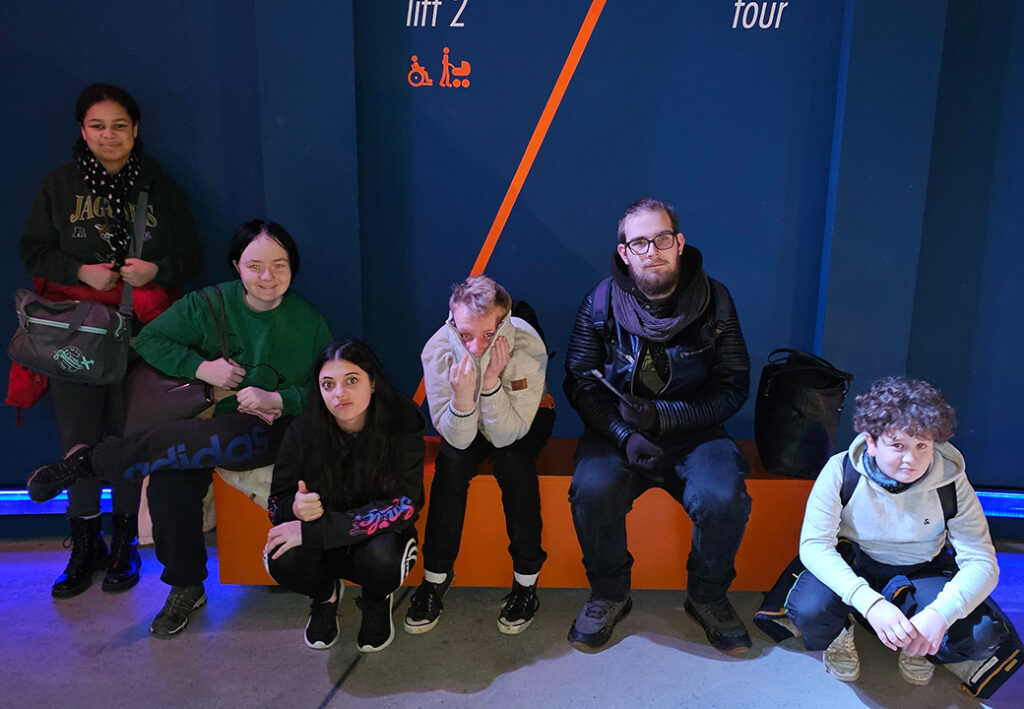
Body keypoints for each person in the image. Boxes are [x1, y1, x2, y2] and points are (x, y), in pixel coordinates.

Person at [27, 219, 332, 637]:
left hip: (278, 430)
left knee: (225, 436)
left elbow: (327, 391)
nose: (268, 276)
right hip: (206, 427)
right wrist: (203, 368)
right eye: (255, 265)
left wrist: (278, 399)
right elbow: (149, 340)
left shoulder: (310, 321)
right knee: (171, 477)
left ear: (292, 269)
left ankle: (90, 460)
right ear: (236, 266)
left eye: (279, 265)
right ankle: (186, 586)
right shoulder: (210, 304)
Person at [16, 83, 201, 600]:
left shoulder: (161, 187)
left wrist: (156, 270)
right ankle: (84, 544)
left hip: (144, 334)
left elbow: (191, 256)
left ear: (136, 130)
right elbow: (32, 251)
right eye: (97, 126)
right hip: (76, 331)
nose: (109, 135)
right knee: (77, 438)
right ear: (82, 130)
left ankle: (123, 543)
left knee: (126, 436)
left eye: (119, 125)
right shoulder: (59, 185)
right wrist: (80, 269)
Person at [563, 197, 752, 653]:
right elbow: (580, 382)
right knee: (591, 489)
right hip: (618, 434)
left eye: (662, 238)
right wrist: (626, 434)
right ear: (625, 252)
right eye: (640, 242)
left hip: (696, 434)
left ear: (679, 243)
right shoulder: (600, 301)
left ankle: (708, 596)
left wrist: (666, 416)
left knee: (724, 496)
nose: (653, 250)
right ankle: (609, 593)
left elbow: (733, 386)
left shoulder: (716, 301)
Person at [788, 377, 1016, 693]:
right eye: (898, 445)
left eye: (922, 445)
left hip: (921, 570)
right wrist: (867, 601)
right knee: (808, 609)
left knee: (982, 636)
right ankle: (844, 630)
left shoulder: (951, 481)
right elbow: (814, 545)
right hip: (855, 563)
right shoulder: (841, 470)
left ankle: (918, 643)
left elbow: (982, 562)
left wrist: (939, 614)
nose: (911, 459)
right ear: (871, 441)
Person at [405, 275, 553, 635]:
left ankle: (526, 582)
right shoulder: (438, 350)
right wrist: (462, 396)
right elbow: (456, 438)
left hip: (523, 418)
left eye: (489, 334)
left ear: (505, 320)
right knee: (452, 462)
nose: (477, 345)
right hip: (466, 415)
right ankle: (436, 577)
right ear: (452, 322)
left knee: (512, 461)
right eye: (467, 333)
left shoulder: (526, 345)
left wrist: (488, 386)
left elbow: (506, 434)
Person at [265, 339, 424, 652]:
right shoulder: (303, 430)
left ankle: (376, 601)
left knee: (383, 559)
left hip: (376, 540)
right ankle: (325, 598)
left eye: (352, 380)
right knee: (281, 555)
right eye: (328, 384)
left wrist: (314, 530)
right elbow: (275, 503)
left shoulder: (402, 427)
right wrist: (296, 509)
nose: (339, 393)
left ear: (373, 383)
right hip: (324, 544)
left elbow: (404, 507)